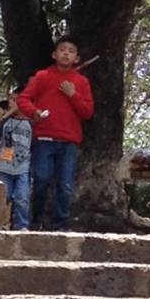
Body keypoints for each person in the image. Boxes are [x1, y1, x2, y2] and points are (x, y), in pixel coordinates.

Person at [24, 37, 94, 231]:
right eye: (62, 50)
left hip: (69, 141)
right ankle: (36, 219)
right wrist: (34, 112)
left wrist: (73, 95)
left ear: (77, 58)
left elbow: (87, 112)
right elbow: (24, 99)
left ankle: (60, 224)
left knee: (65, 185)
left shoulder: (81, 82)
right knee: (41, 179)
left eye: (71, 51)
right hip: (44, 138)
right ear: (54, 54)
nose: (66, 53)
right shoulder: (42, 76)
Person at [0, 91, 35, 231]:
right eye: (11, 100)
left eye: (16, 100)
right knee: (5, 196)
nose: (13, 103)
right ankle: (1, 223)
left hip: (23, 166)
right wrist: (6, 116)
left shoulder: (31, 123)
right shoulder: (5, 122)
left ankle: (22, 224)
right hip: (5, 166)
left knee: (22, 197)